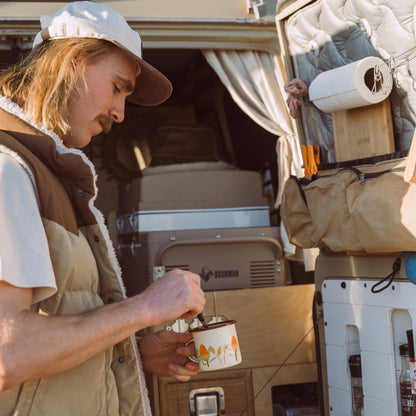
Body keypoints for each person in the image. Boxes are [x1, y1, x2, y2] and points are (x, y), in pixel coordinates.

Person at [0, 2, 206, 415]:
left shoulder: (46, 171)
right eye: (117, 87)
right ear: (74, 60)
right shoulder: (8, 169)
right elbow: (8, 355)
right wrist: (144, 308)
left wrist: (133, 353)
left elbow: (51, 337)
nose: (119, 113)